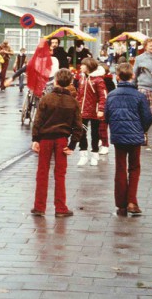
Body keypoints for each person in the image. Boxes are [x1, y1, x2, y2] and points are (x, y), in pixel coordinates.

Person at [30, 68, 84, 218]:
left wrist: (35, 139)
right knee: (60, 174)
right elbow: (78, 126)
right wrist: (72, 144)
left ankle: (39, 207)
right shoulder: (73, 102)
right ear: (70, 83)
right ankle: (60, 207)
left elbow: (38, 121)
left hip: (45, 139)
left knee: (42, 173)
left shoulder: (46, 98)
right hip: (62, 140)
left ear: (55, 81)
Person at [105, 63, 152, 216]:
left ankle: (121, 204)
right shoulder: (139, 95)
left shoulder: (111, 95)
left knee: (120, 168)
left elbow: (107, 116)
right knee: (134, 168)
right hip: (135, 136)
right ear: (132, 76)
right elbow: (147, 117)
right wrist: (141, 131)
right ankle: (132, 201)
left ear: (117, 77)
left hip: (118, 136)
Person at [75, 58, 108, 167]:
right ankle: (83, 155)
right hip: (83, 111)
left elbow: (103, 96)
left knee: (95, 133)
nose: (80, 67)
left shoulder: (98, 80)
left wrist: (101, 109)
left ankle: (94, 154)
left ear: (88, 66)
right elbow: (79, 94)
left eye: (83, 65)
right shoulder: (81, 78)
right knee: (81, 132)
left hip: (95, 112)